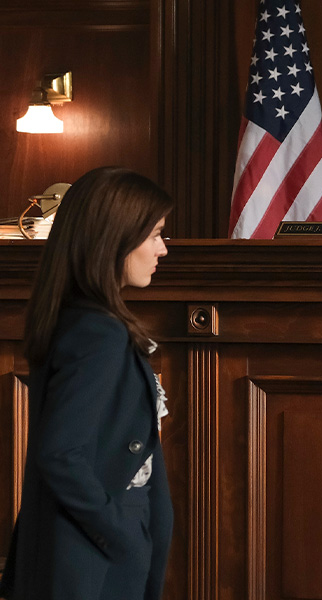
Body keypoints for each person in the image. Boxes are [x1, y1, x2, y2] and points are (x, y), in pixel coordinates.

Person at [0, 167, 175, 599]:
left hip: (90, 545)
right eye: (154, 235)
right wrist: (119, 533)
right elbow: (61, 454)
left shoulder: (88, 322)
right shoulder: (97, 332)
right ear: (113, 238)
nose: (163, 250)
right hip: (89, 554)